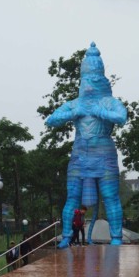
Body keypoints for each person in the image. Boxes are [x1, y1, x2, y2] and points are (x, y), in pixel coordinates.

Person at [45, 42, 127, 248]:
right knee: (72, 196)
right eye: (87, 79)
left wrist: (101, 112)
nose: (90, 83)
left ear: (101, 79)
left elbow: (121, 117)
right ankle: (66, 237)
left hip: (104, 156)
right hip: (80, 156)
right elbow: (51, 119)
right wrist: (74, 113)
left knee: (110, 197)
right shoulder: (75, 104)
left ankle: (116, 237)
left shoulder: (109, 101)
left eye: (94, 79)